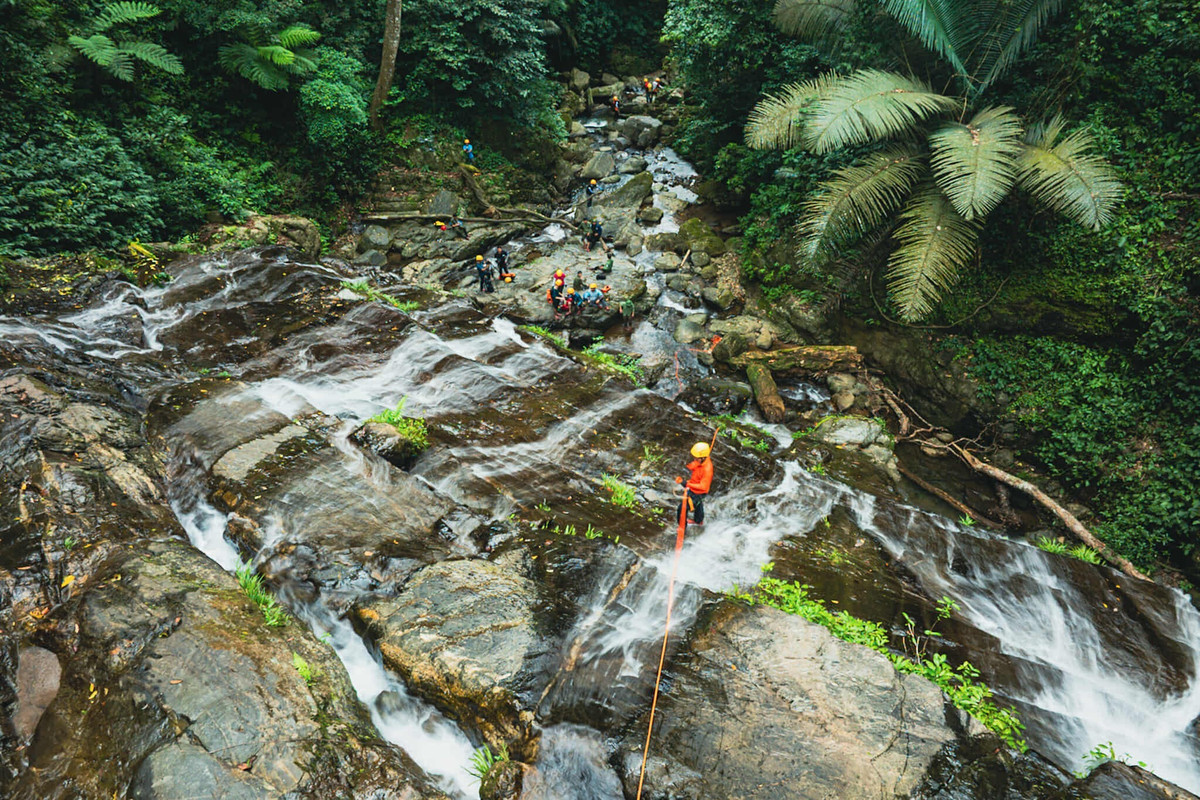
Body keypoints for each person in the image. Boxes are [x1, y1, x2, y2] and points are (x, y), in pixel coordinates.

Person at [676, 442, 714, 526]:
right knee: (698, 504)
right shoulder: (702, 460)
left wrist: (686, 484)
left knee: (682, 508)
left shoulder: (707, 470)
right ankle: (698, 520)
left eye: (697, 458)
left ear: (703, 457)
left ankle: (682, 526)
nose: (695, 459)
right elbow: (696, 467)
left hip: (698, 493)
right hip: (695, 486)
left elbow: (703, 487)